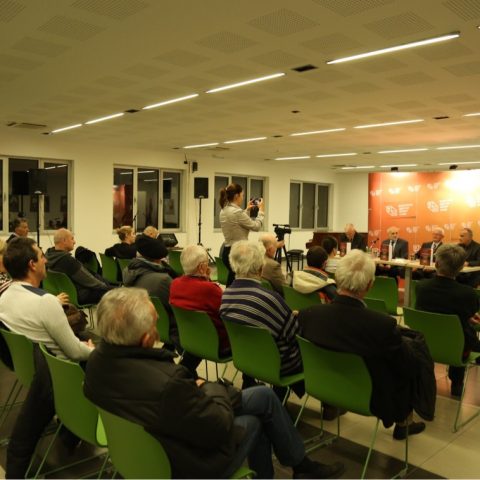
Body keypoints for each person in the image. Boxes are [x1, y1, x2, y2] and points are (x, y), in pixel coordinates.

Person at [83, 287, 344, 479]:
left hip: (139, 447)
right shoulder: (168, 383)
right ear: (144, 339)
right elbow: (218, 427)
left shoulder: (96, 362)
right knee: (255, 422)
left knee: (263, 397)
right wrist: (212, 388)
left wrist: (202, 391)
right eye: (154, 325)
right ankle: (291, 469)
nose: (157, 329)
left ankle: (301, 466)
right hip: (181, 461)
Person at [298, 250, 427, 439]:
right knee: (409, 361)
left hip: (321, 386)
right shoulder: (382, 325)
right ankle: (404, 424)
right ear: (369, 285)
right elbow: (409, 366)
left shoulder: (309, 315)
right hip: (369, 397)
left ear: (337, 279)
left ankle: (331, 406)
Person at [0, 237, 93, 478]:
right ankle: (74, 430)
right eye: (42, 256)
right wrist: (93, 349)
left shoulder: (5, 297)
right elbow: (74, 352)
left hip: (32, 371)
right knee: (99, 357)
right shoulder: (46, 302)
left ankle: (70, 432)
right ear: (32, 264)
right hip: (59, 376)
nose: (46, 260)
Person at [220, 241, 304, 396]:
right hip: (277, 365)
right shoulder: (270, 299)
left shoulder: (226, 295)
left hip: (245, 358)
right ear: (260, 268)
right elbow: (295, 335)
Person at [415, 243, 480, 397]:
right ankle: (456, 384)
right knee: (462, 334)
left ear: (436, 264)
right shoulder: (468, 294)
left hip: (425, 344)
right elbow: (469, 315)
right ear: (460, 268)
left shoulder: (421, 287)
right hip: (457, 350)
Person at [169, 244, 229, 376]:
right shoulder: (211, 289)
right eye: (207, 263)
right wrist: (208, 281)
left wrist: (205, 279)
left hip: (190, 339)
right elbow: (225, 314)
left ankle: (183, 374)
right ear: (202, 267)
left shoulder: (175, 284)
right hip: (217, 344)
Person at [45, 228, 112, 304]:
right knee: (115, 293)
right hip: (79, 296)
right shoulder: (68, 261)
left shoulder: (47, 258)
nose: (74, 242)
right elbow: (90, 281)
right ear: (64, 241)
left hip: (60, 295)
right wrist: (109, 288)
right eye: (72, 239)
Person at [219, 183, 264, 286]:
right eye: (242, 195)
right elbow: (256, 226)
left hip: (227, 250)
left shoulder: (224, 210)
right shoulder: (237, 212)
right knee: (239, 280)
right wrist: (261, 212)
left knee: (232, 277)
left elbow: (238, 222)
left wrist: (247, 210)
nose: (243, 198)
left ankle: (229, 294)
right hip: (238, 251)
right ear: (236, 196)